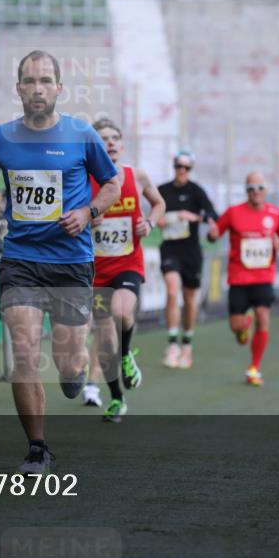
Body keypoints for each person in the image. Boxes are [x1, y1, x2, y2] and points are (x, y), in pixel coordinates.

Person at [0, 50, 120, 474]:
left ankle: (77, 371)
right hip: (21, 260)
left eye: (45, 81)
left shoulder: (82, 135)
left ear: (59, 88)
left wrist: (89, 213)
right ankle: (37, 448)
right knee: (25, 350)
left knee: (69, 364)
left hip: (70, 262)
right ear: (18, 89)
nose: (37, 89)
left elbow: (112, 183)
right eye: (29, 81)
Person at [86, 118, 165, 423]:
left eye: (115, 137)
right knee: (104, 337)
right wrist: (86, 218)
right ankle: (116, 399)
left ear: (122, 143)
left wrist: (150, 222)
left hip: (128, 264)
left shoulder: (137, 176)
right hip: (96, 270)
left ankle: (127, 353)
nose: (110, 143)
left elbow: (159, 204)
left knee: (122, 312)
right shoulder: (84, 179)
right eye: (103, 138)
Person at [207, 172, 279, 387]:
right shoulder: (234, 212)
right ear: (246, 191)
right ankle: (243, 327)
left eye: (260, 187)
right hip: (239, 278)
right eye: (251, 188)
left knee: (263, 316)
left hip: (263, 276)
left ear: (266, 190)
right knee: (236, 327)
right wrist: (212, 234)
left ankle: (254, 368)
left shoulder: (276, 213)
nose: (256, 192)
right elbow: (215, 232)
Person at [156, 151, 217, 369]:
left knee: (190, 299)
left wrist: (196, 217)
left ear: (191, 169)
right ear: (174, 167)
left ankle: (187, 344)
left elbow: (213, 216)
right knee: (172, 291)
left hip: (191, 251)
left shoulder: (196, 191)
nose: (182, 170)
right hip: (170, 249)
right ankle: (172, 344)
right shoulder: (162, 190)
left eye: (186, 167)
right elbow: (150, 214)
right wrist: (158, 220)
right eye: (179, 166)